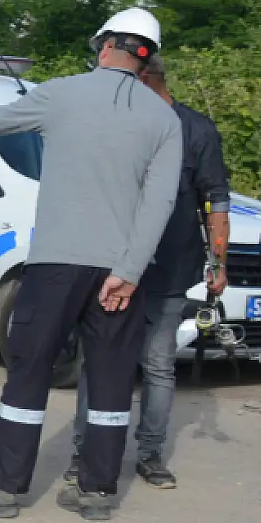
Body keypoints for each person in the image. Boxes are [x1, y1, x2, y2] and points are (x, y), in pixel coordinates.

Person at [0, 8, 183, 522]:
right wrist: (128, 271)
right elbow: (160, 203)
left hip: (55, 264)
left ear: (103, 45)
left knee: (29, 372)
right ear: (148, 58)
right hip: (119, 274)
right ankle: (98, 493)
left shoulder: (62, 93)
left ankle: (6, 488)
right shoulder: (163, 119)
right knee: (108, 380)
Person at [66, 55, 230, 490]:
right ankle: (85, 450)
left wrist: (218, 261)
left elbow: (217, 201)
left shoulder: (196, 130)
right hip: (113, 263)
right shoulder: (123, 124)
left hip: (170, 270)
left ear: (146, 79)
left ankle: (151, 454)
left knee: (157, 364)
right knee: (99, 361)